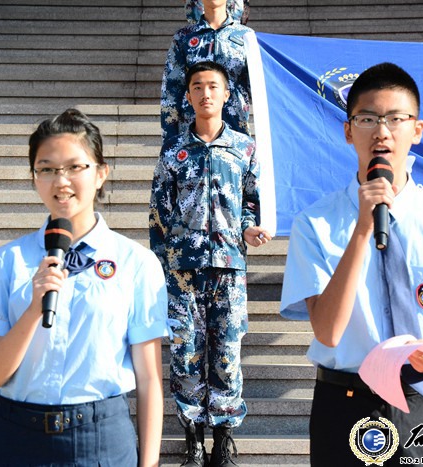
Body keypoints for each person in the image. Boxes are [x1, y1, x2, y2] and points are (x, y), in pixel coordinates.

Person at [279, 63, 423, 466]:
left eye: (395, 119)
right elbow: (328, 332)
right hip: (346, 404)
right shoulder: (314, 224)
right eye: (367, 119)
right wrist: (362, 231)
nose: (382, 132)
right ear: (349, 131)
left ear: (416, 130)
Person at [0, 108, 168, 467]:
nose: (61, 181)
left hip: (101, 437)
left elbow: (150, 378)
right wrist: (33, 308)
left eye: (76, 167)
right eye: (47, 169)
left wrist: (149, 464)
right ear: (34, 178)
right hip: (16, 437)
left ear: (101, 173)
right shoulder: (6, 261)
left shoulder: (137, 262)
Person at [150, 61, 271, 467]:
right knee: (186, 353)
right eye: (197, 86)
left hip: (229, 268)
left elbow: (252, 201)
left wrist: (251, 228)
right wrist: (160, 268)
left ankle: (222, 439)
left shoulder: (244, 148)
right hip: (183, 272)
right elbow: (158, 215)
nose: (205, 93)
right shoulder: (173, 151)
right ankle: (192, 440)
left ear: (225, 95)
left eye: (213, 86)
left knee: (226, 354)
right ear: (188, 95)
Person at [162, 0, 253, 146]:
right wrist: (170, 139)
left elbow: (259, 88)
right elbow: (171, 92)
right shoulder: (184, 38)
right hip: (192, 136)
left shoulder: (247, 37)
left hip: (235, 134)